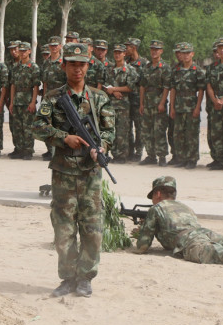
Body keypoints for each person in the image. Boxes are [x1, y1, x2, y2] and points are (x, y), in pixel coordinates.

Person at [32, 42, 115, 298]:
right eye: (72, 64)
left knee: (93, 229)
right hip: (63, 173)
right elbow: (37, 126)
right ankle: (68, 278)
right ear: (64, 66)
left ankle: (85, 278)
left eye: (82, 64)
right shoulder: (53, 98)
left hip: (90, 174)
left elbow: (110, 131)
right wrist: (62, 137)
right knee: (63, 229)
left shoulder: (100, 98)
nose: (77, 69)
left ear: (88, 66)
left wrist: (100, 147)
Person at [132, 176, 223, 264]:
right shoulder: (185, 206)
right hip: (205, 233)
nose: (152, 201)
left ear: (158, 194)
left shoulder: (157, 208)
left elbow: (142, 246)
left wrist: (141, 233)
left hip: (190, 241)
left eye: (152, 196)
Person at [169, 42, 205, 169]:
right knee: (178, 134)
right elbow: (173, 89)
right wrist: (172, 107)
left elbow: (201, 90)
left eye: (187, 53)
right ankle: (182, 158)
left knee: (191, 134)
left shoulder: (197, 71)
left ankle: (192, 159)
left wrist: (197, 107)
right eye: (183, 53)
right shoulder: (176, 70)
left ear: (192, 54)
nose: (185, 56)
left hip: (191, 106)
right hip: (179, 106)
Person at [103, 43, 139, 163]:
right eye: (115, 52)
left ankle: (122, 156)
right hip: (110, 104)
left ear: (124, 54)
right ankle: (114, 153)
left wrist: (114, 89)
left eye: (120, 52)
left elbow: (130, 87)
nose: (117, 55)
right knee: (110, 130)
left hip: (123, 105)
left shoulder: (130, 70)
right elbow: (105, 84)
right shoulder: (109, 69)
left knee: (122, 130)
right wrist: (112, 91)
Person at [138, 40, 171, 167]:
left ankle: (161, 156)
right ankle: (151, 155)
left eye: (157, 49)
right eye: (152, 49)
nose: (154, 51)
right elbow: (142, 86)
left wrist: (162, 103)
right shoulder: (146, 67)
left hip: (158, 102)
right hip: (147, 102)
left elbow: (167, 87)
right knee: (147, 130)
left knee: (159, 130)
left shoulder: (165, 67)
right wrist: (141, 103)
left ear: (161, 51)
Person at [8, 42, 40, 160]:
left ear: (29, 51)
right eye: (20, 51)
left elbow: (36, 86)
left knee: (27, 127)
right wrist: (11, 102)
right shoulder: (15, 67)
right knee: (17, 126)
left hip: (27, 99)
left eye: (24, 51)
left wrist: (33, 102)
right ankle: (19, 149)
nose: (22, 53)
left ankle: (28, 150)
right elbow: (12, 86)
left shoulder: (34, 67)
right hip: (17, 100)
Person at [206, 37, 223, 170]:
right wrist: (215, 100)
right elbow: (209, 85)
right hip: (215, 105)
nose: (222, 50)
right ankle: (218, 159)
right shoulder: (212, 67)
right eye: (219, 47)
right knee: (216, 133)